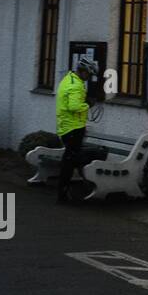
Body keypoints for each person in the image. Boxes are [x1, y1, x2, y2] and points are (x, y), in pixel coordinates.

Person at [55, 58, 95, 203]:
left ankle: (75, 188)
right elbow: (74, 107)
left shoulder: (68, 79)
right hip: (73, 128)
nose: (89, 77)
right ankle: (64, 193)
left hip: (66, 127)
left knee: (71, 160)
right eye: (89, 74)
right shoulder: (76, 85)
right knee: (71, 161)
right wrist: (88, 105)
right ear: (83, 71)